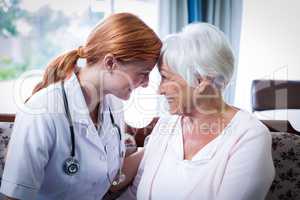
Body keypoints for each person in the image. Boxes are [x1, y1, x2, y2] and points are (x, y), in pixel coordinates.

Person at [0, 13, 162, 200]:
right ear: (110, 63)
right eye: (143, 73)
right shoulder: (42, 110)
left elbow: (110, 180)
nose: (146, 83)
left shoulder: (113, 105)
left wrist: (153, 148)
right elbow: (15, 196)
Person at [119, 23, 275, 200]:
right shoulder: (166, 124)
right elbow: (136, 193)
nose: (159, 90)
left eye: (165, 78)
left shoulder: (249, 137)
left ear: (201, 81)